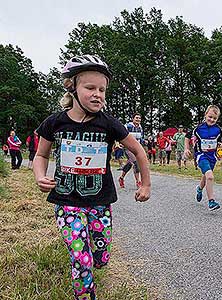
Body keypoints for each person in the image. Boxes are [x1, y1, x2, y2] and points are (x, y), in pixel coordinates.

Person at [33, 55, 151, 300]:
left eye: (102, 90)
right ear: (72, 88)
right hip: (67, 203)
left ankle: (96, 261)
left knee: (100, 257)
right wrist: (39, 176)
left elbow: (138, 150)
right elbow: (40, 155)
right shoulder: (55, 123)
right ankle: (85, 294)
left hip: (99, 202)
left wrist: (146, 184)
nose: (98, 94)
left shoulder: (108, 124)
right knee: (80, 257)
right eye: (90, 88)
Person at [184, 105, 222, 211]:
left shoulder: (219, 130)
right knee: (210, 176)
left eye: (214, 118)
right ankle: (211, 201)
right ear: (205, 115)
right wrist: (186, 149)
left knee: (205, 176)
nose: (212, 120)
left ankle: (199, 189)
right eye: (210, 117)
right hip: (201, 156)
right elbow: (187, 137)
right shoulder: (198, 128)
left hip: (212, 157)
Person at [118, 113, 145, 188]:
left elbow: (141, 138)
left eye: (139, 118)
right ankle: (138, 182)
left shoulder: (140, 128)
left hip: (137, 148)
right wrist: (120, 143)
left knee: (130, 164)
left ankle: (121, 178)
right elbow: (120, 134)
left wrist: (144, 141)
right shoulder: (128, 126)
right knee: (136, 163)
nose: (138, 119)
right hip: (128, 148)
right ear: (133, 119)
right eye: (136, 118)